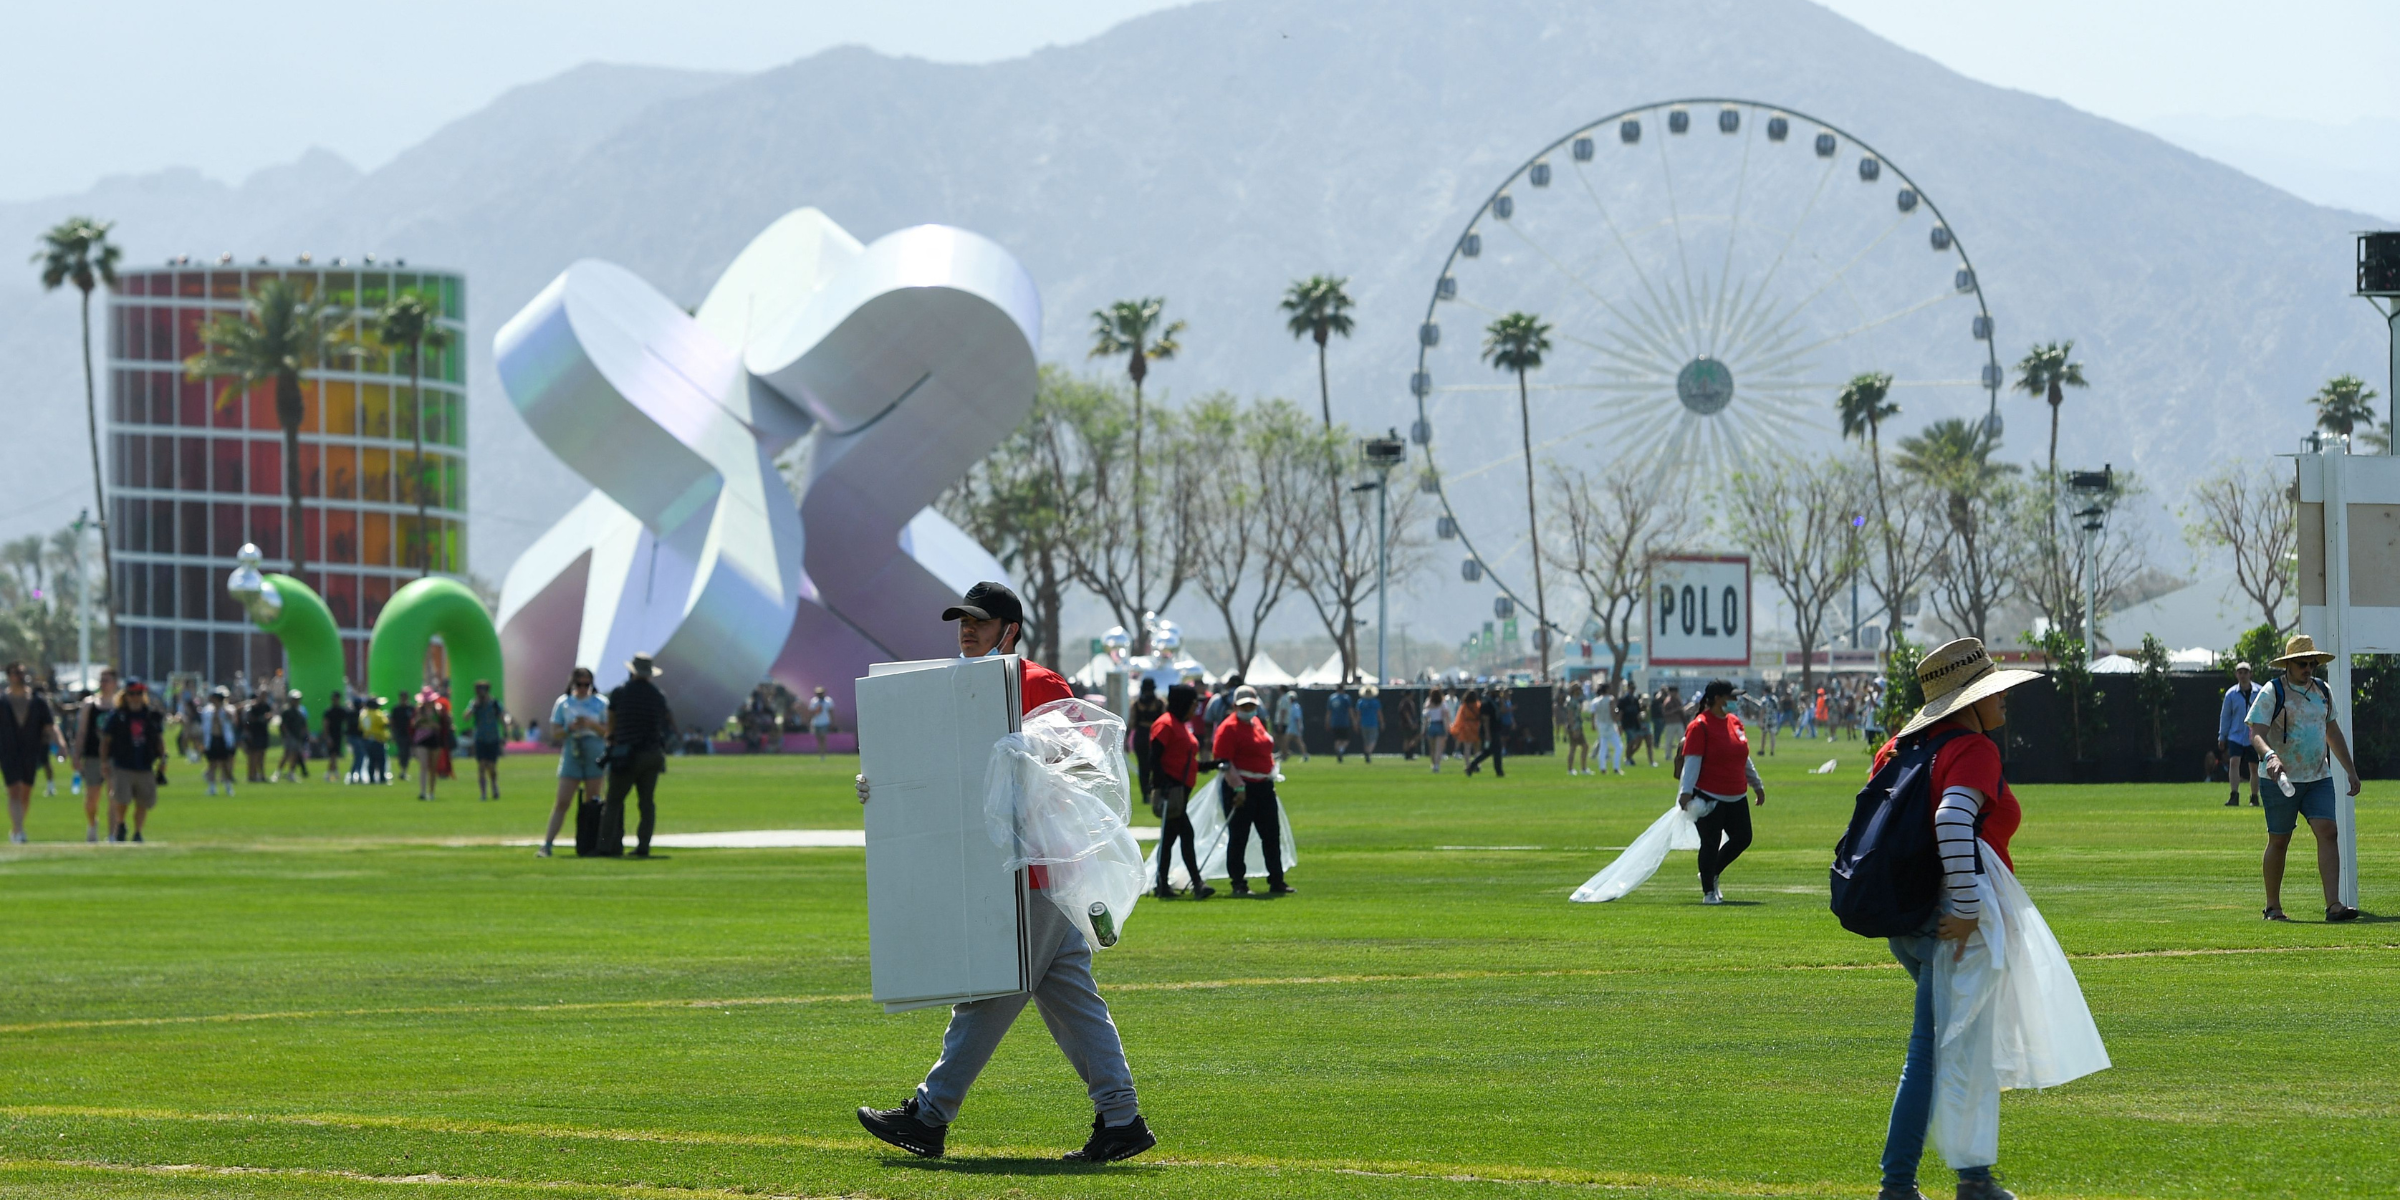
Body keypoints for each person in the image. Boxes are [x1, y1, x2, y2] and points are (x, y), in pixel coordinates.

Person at [854, 580, 1154, 1163]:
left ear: (1009, 630)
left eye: (980, 622)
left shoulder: (1036, 682)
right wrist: (885, 787)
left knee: (988, 988)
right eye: (962, 621)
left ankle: (930, 1114)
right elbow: (937, 768)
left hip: (1034, 865)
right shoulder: (951, 686)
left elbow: (1085, 762)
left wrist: (1031, 756)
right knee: (1070, 998)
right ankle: (1120, 1118)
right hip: (1008, 866)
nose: (967, 630)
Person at [1868, 637, 2052, 1200]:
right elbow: (1952, 822)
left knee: (1959, 1045)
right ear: (1968, 702)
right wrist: (1969, 912)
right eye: (1991, 692)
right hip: (1951, 918)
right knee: (1931, 1049)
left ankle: (1972, 1177)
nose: (2002, 701)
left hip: (1910, 914)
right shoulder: (1972, 749)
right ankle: (1901, 1183)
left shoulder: (1900, 747)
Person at [2245, 634, 2364, 923]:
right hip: (2280, 779)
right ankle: (2272, 907)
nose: (2308, 668)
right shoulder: (2272, 692)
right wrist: (2270, 757)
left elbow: (2332, 732)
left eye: (2312, 663)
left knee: (2328, 831)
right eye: (2302, 663)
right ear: (2288, 665)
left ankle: (2333, 905)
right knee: (2280, 840)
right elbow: (2256, 733)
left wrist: (2350, 770)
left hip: (2318, 777)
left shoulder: (2323, 691)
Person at [1674, 680, 1767, 905]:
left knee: (1743, 837)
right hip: (1708, 795)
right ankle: (1708, 892)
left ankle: (1711, 872)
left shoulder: (1735, 722)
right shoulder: (1700, 725)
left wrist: (1757, 784)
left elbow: (1743, 756)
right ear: (1717, 699)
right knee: (1710, 842)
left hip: (1736, 794)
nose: (1735, 702)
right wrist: (1685, 793)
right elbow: (1692, 763)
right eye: (1732, 697)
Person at [1212, 684, 1291, 896]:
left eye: (1251, 705)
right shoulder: (1228, 728)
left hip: (1263, 785)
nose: (1248, 710)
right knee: (1239, 836)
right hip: (1241, 787)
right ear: (1235, 706)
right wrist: (1238, 787)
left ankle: (1277, 879)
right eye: (1244, 706)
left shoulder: (1257, 723)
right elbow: (1224, 761)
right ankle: (1238, 882)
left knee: (1271, 834)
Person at [605, 654, 676, 858]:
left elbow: (611, 720)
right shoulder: (658, 695)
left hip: (626, 754)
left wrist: (611, 738)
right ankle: (643, 845)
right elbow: (665, 721)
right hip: (652, 754)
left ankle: (606, 845)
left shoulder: (621, 692)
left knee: (613, 802)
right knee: (646, 803)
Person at [1146, 683, 1212, 900]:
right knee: (1183, 835)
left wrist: (1213, 765)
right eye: (1194, 704)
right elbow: (1154, 757)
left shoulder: (1181, 724)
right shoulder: (1165, 724)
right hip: (1171, 791)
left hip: (1180, 791)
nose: (1196, 708)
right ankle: (1196, 883)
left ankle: (1163, 884)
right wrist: (1162, 783)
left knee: (1170, 839)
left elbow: (1188, 761)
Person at [539, 668, 610, 857]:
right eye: (579, 684)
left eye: (587, 685)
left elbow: (608, 730)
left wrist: (590, 724)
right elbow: (555, 732)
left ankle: (589, 842)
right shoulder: (564, 703)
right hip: (573, 750)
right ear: (572, 684)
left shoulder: (600, 703)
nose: (583, 688)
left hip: (594, 750)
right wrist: (570, 728)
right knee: (562, 801)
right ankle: (547, 844)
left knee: (592, 802)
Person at [101, 680, 168, 843]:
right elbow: (106, 740)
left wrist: (163, 758)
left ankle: (138, 832)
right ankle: (121, 823)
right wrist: (104, 761)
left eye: (139, 693)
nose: (136, 697)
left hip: (145, 763)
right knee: (121, 798)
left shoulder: (151, 715)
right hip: (122, 763)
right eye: (132, 693)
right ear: (126, 695)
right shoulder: (117, 715)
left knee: (143, 801)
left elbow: (159, 739)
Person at [2, 662, 58, 844]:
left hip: (30, 751)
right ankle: (19, 831)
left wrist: (62, 744)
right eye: (16, 672)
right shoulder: (2, 701)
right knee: (14, 790)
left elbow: (50, 725)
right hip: (8, 751)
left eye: (22, 672)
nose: (20, 676)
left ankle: (17, 827)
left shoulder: (38, 701)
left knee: (25, 791)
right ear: (9, 675)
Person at [73, 668, 119, 842]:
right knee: (92, 797)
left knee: (114, 795)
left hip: (115, 756)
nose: (103, 683)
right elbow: (82, 731)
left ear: (115, 683)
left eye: (107, 680)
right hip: (93, 755)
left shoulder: (119, 704)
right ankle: (92, 823)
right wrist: (76, 754)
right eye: (101, 679)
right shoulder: (89, 704)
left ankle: (112, 834)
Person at [2219, 661, 2263, 808]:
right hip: (2236, 735)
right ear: (2236, 674)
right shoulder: (2231, 694)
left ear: (2250, 674)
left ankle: (2254, 797)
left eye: (2245, 672)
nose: (2243, 675)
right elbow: (2225, 716)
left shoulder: (2260, 692)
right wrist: (2222, 736)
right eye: (2240, 672)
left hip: (2253, 736)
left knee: (2254, 767)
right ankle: (2234, 795)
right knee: (2234, 762)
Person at [466, 680, 510, 801]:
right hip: (480, 738)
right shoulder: (474, 703)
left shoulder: (495, 703)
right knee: (481, 765)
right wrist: (474, 707)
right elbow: (466, 717)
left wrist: (506, 733)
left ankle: (494, 786)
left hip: (493, 738)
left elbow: (502, 718)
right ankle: (483, 793)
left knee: (491, 766)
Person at [412, 686, 454, 801]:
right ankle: (422, 791)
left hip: (435, 739)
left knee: (433, 768)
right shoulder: (419, 710)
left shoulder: (439, 710)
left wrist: (427, 723)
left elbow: (440, 726)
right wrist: (425, 721)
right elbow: (414, 724)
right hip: (421, 740)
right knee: (423, 765)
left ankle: (431, 792)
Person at [1128, 678, 1164, 801]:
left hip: (1141, 735)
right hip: (1155, 735)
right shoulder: (1159, 703)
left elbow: (1131, 723)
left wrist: (1127, 739)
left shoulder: (1137, 704)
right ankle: (1153, 791)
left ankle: (1146, 793)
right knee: (1155, 765)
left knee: (1143, 766)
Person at [198, 688, 239, 795]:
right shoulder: (207, 710)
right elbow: (204, 727)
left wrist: (221, 709)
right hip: (212, 739)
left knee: (225, 764)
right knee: (212, 764)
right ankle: (212, 787)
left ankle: (228, 786)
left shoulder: (228, 709)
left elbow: (233, 721)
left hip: (224, 740)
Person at [274, 690, 311, 782]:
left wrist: (306, 734)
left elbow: (304, 724)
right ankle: (278, 772)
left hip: (297, 736)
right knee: (287, 754)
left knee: (295, 755)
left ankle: (291, 773)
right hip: (290, 735)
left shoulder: (301, 710)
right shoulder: (286, 710)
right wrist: (286, 734)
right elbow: (284, 725)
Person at [1590, 684, 1624, 775]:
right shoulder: (1610, 699)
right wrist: (1618, 722)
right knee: (1619, 746)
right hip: (1609, 724)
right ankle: (1616, 767)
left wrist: (1593, 724)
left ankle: (1603, 768)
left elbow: (1593, 713)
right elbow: (1612, 712)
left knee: (1603, 747)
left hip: (1600, 724)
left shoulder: (1595, 701)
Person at [1449, 687, 1484, 776]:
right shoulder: (1478, 705)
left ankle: (1468, 764)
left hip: (1467, 727)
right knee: (1477, 748)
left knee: (1467, 747)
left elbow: (1460, 717)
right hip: (1476, 726)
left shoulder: (1464, 706)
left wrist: (1456, 728)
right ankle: (1477, 764)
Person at [241, 691, 275, 783]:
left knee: (262, 755)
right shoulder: (253, 707)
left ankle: (261, 775)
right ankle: (251, 775)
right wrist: (261, 718)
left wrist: (268, 717)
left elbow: (270, 716)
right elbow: (249, 720)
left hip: (263, 732)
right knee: (253, 755)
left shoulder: (266, 706)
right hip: (254, 733)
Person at [1616, 682, 1650, 768]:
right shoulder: (1623, 700)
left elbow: (1638, 713)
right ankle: (1627, 759)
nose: (1632, 690)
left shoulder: (1635, 700)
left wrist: (1641, 724)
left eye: (1634, 688)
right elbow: (1620, 712)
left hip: (1635, 724)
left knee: (1637, 743)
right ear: (1628, 688)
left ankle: (1629, 757)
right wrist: (1619, 724)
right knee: (1630, 741)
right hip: (1627, 723)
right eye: (1631, 688)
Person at [322, 690, 353, 785]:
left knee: (334, 755)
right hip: (331, 735)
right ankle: (330, 773)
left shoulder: (342, 710)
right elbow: (326, 725)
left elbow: (346, 722)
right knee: (333, 755)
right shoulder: (329, 711)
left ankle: (333, 772)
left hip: (338, 735)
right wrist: (327, 737)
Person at [1560, 681, 1591, 775]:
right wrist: (1573, 728)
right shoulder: (1571, 701)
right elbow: (1570, 716)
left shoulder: (1576, 700)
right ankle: (1576, 769)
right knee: (1578, 747)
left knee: (1580, 747)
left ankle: (1580, 768)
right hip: (1575, 727)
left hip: (1578, 726)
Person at [355, 697, 388, 784]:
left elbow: (360, 727)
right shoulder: (378, 714)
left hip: (367, 739)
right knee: (381, 760)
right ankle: (382, 778)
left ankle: (371, 778)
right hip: (377, 739)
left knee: (371, 760)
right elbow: (384, 724)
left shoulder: (363, 714)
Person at [388, 692, 415, 782]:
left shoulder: (411, 708)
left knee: (406, 752)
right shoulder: (396, 709)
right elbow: (392, 722)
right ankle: (402, 770)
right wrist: (392, 733)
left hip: (409, 734)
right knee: (402, 751)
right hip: (399, 733)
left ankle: (404, 770)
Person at [1275, 685, 1307, 761]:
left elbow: (1298, 718)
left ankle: (1284, 753)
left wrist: (1299, 727)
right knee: (1297, 742)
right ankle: (1285, 752)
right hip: (1291, 726)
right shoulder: (1291, 705)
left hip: (1293, 727)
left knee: (1286, 741)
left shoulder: (1295, 706)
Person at [1422, 687, 1449, 772]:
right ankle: (1437, 765)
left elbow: (1426, 718)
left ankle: (1433, 764)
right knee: (1438, 748)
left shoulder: (1428, 704)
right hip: (1440, 725)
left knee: (1432, 749)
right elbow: (1445, 717)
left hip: (1431, 725)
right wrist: (1446, 729)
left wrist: (1423, 729)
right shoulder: (1443, 704)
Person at [1325, 684, 1354, 762]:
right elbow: (1350, 710)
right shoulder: (1346, 698)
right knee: (1346, 739)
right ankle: (1341, 750)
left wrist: (1327, 721)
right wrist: (1353, 720)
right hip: (1344, 722)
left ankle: (1338, 752)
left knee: (1337, 740)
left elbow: (1329, 712)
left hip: (1334, 722)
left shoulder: (1331, 698)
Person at [806, 686, 836, 758]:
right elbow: (811, 712)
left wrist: (832, 722)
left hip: (825, 722)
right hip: (816, 722)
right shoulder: (813, 701)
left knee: (823, 738)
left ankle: (823, 754)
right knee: (819, 739)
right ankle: (820, 753)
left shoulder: (828, 701)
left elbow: (831, 712)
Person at [1355, 684, 1382, 764]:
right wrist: (1382, 722)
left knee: (1366, 740)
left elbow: (1358, 714)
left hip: (1364, 723)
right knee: (1373, 739)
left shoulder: (1360, 702)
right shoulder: (1375, 702)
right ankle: (1368, 752)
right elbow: (1379, 713)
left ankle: (1367, 753)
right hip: (1373, 723)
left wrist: (1357, 723)